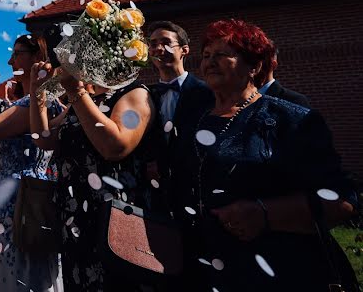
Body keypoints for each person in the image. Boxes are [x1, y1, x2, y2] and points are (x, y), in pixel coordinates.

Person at [168, 19, 357, 291]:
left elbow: (343, 201)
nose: (209, 62)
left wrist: (265, 213)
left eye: (222, 55)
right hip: (198, 271)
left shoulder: (290, 119)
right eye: (207, 55)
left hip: (273, 272)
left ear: (254, 66)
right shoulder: (193, 121)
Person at [28, 59, 157, 292]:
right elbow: (44, 138)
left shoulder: (134, 94)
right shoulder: (87, 99)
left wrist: (75, 90)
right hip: (76, 218)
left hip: (114, 218)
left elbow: (115, 146)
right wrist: (38, 91)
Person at [0, 36, 65, 292]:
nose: (9, 61)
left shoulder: (35, 104)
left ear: (37, 58)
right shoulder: (25, 103)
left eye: (17, 54)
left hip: (23, 201)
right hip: (9, 199)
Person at [146, 21, 210, 133]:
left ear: (184, 50)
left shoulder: (207, 92)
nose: (159, 48)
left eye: (166, 43)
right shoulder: (146, 96)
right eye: (153, 44)